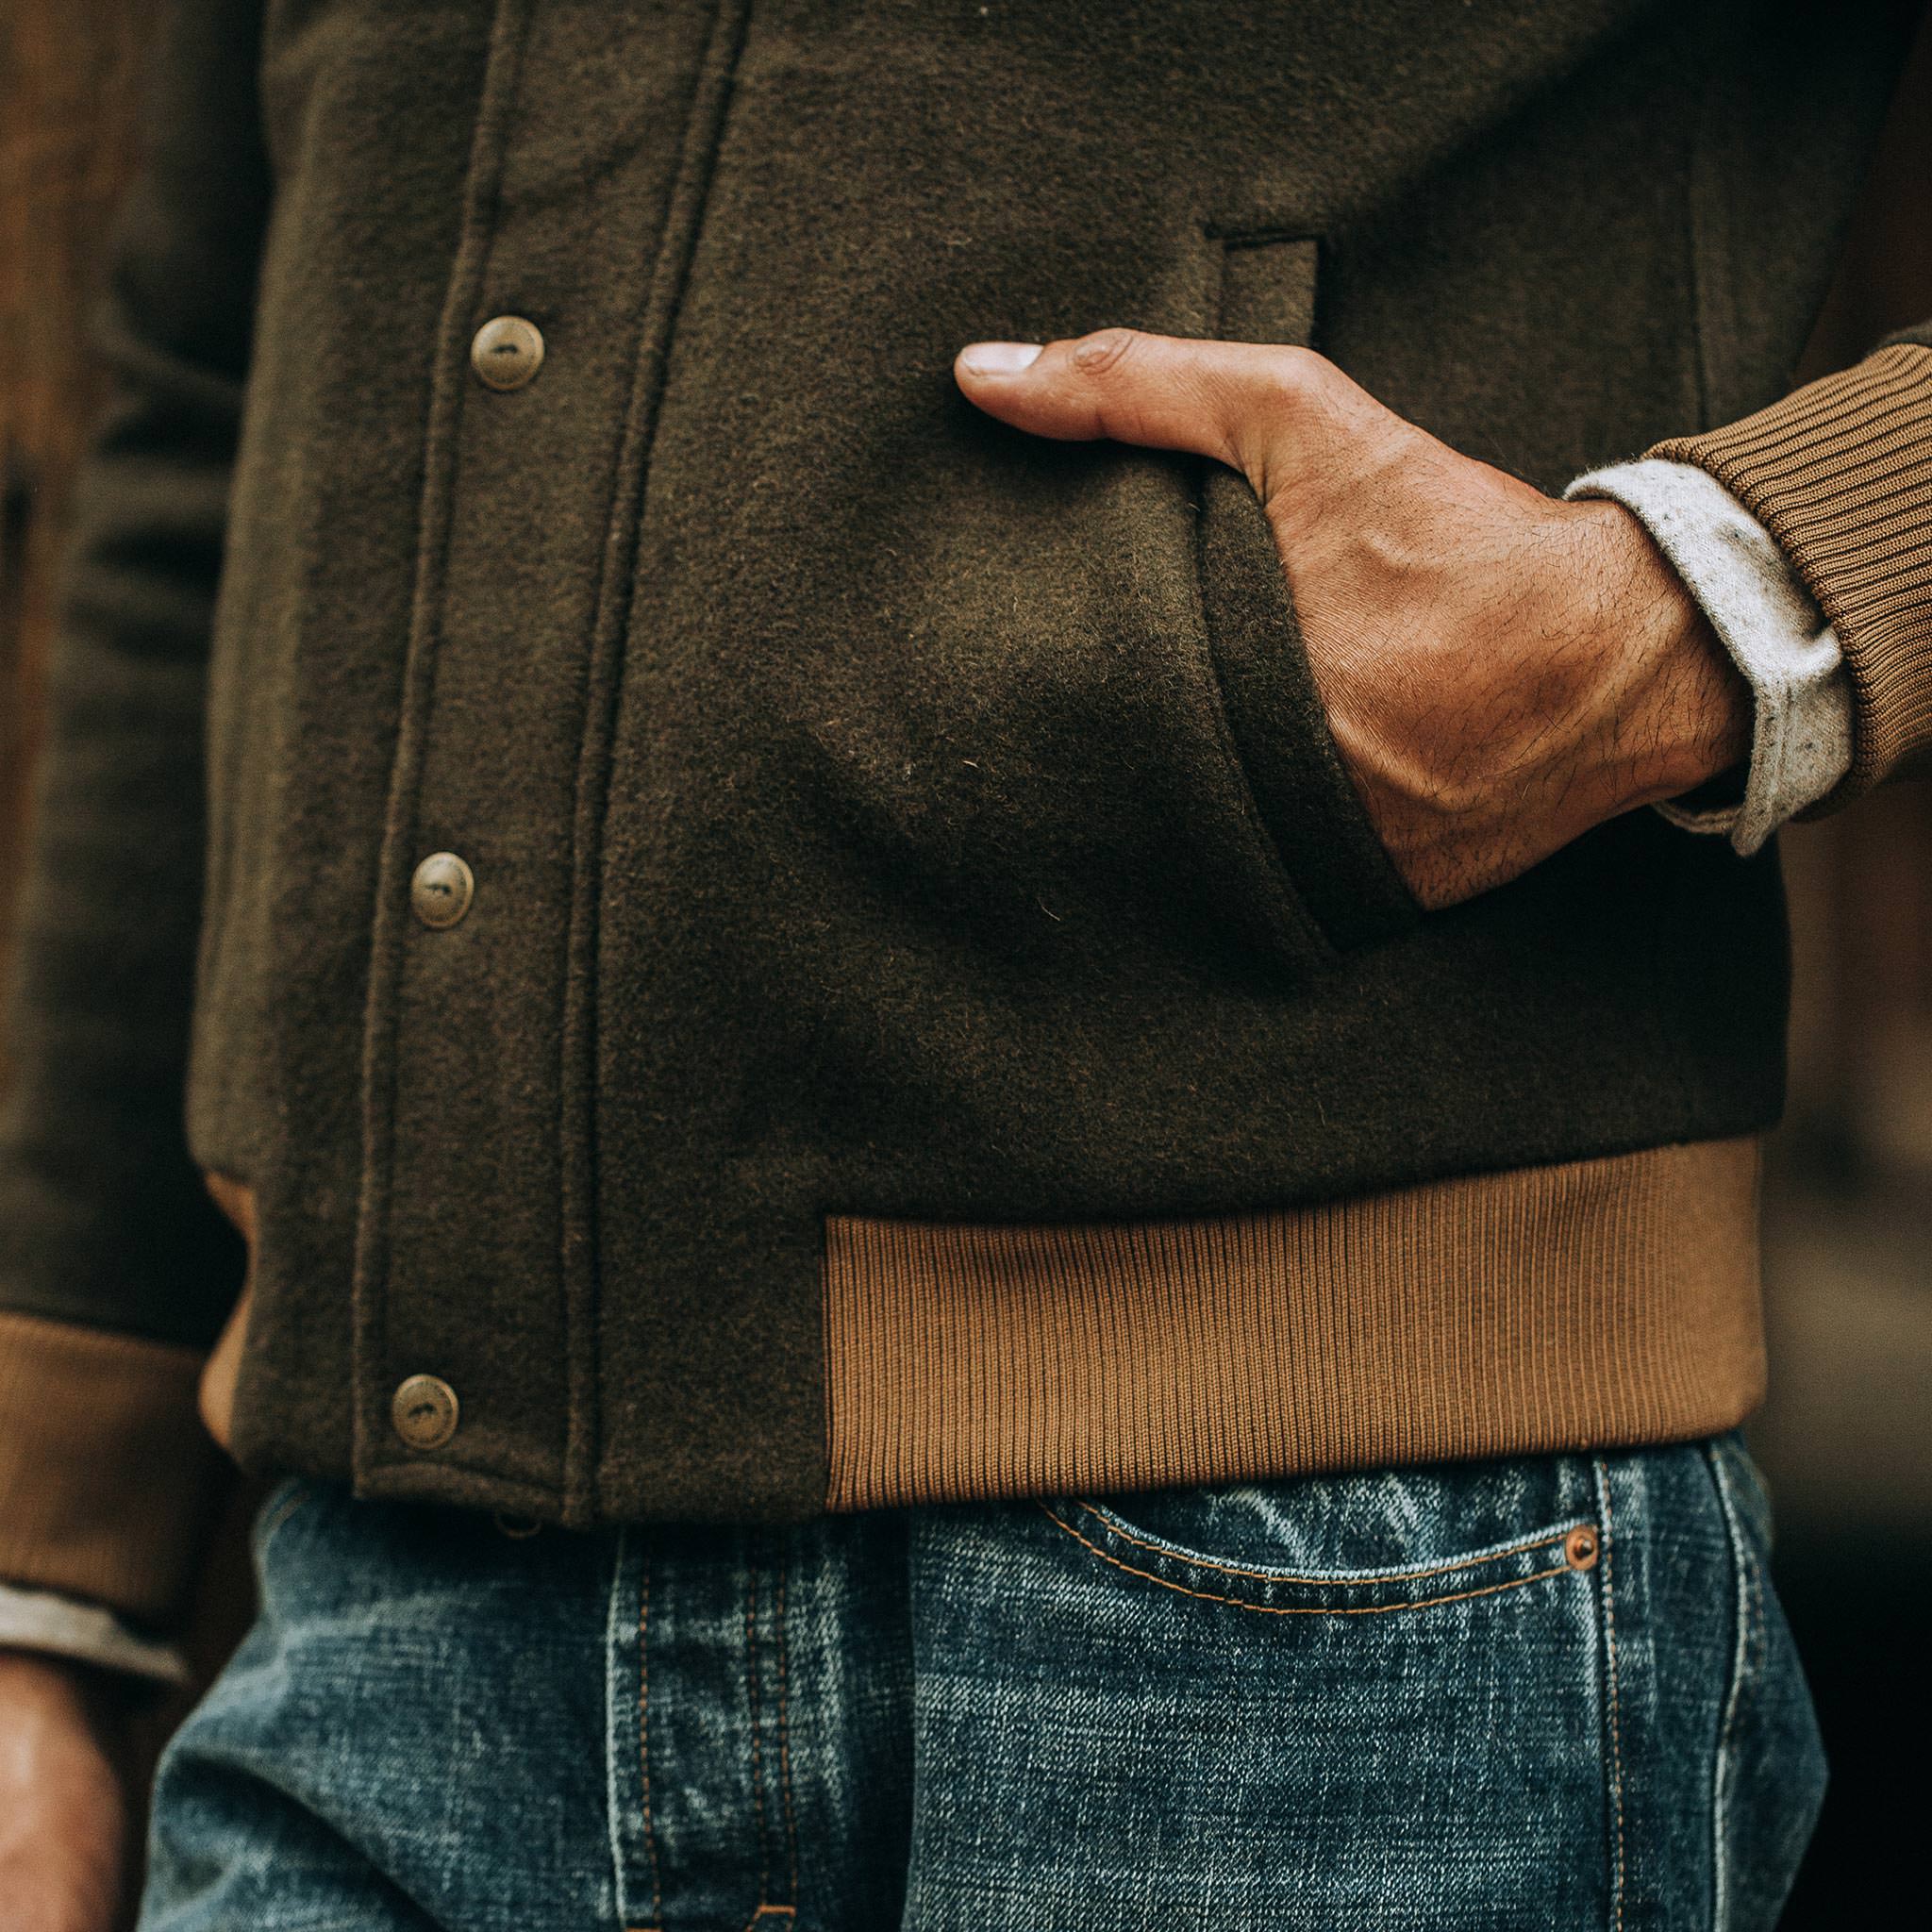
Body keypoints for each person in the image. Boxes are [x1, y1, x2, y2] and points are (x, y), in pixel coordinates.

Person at [1, 1, 1924, 1924]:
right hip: (393, 1602)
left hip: (1335, 1596)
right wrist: (42, 1581)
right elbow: (218, 410)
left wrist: (1682, 613)